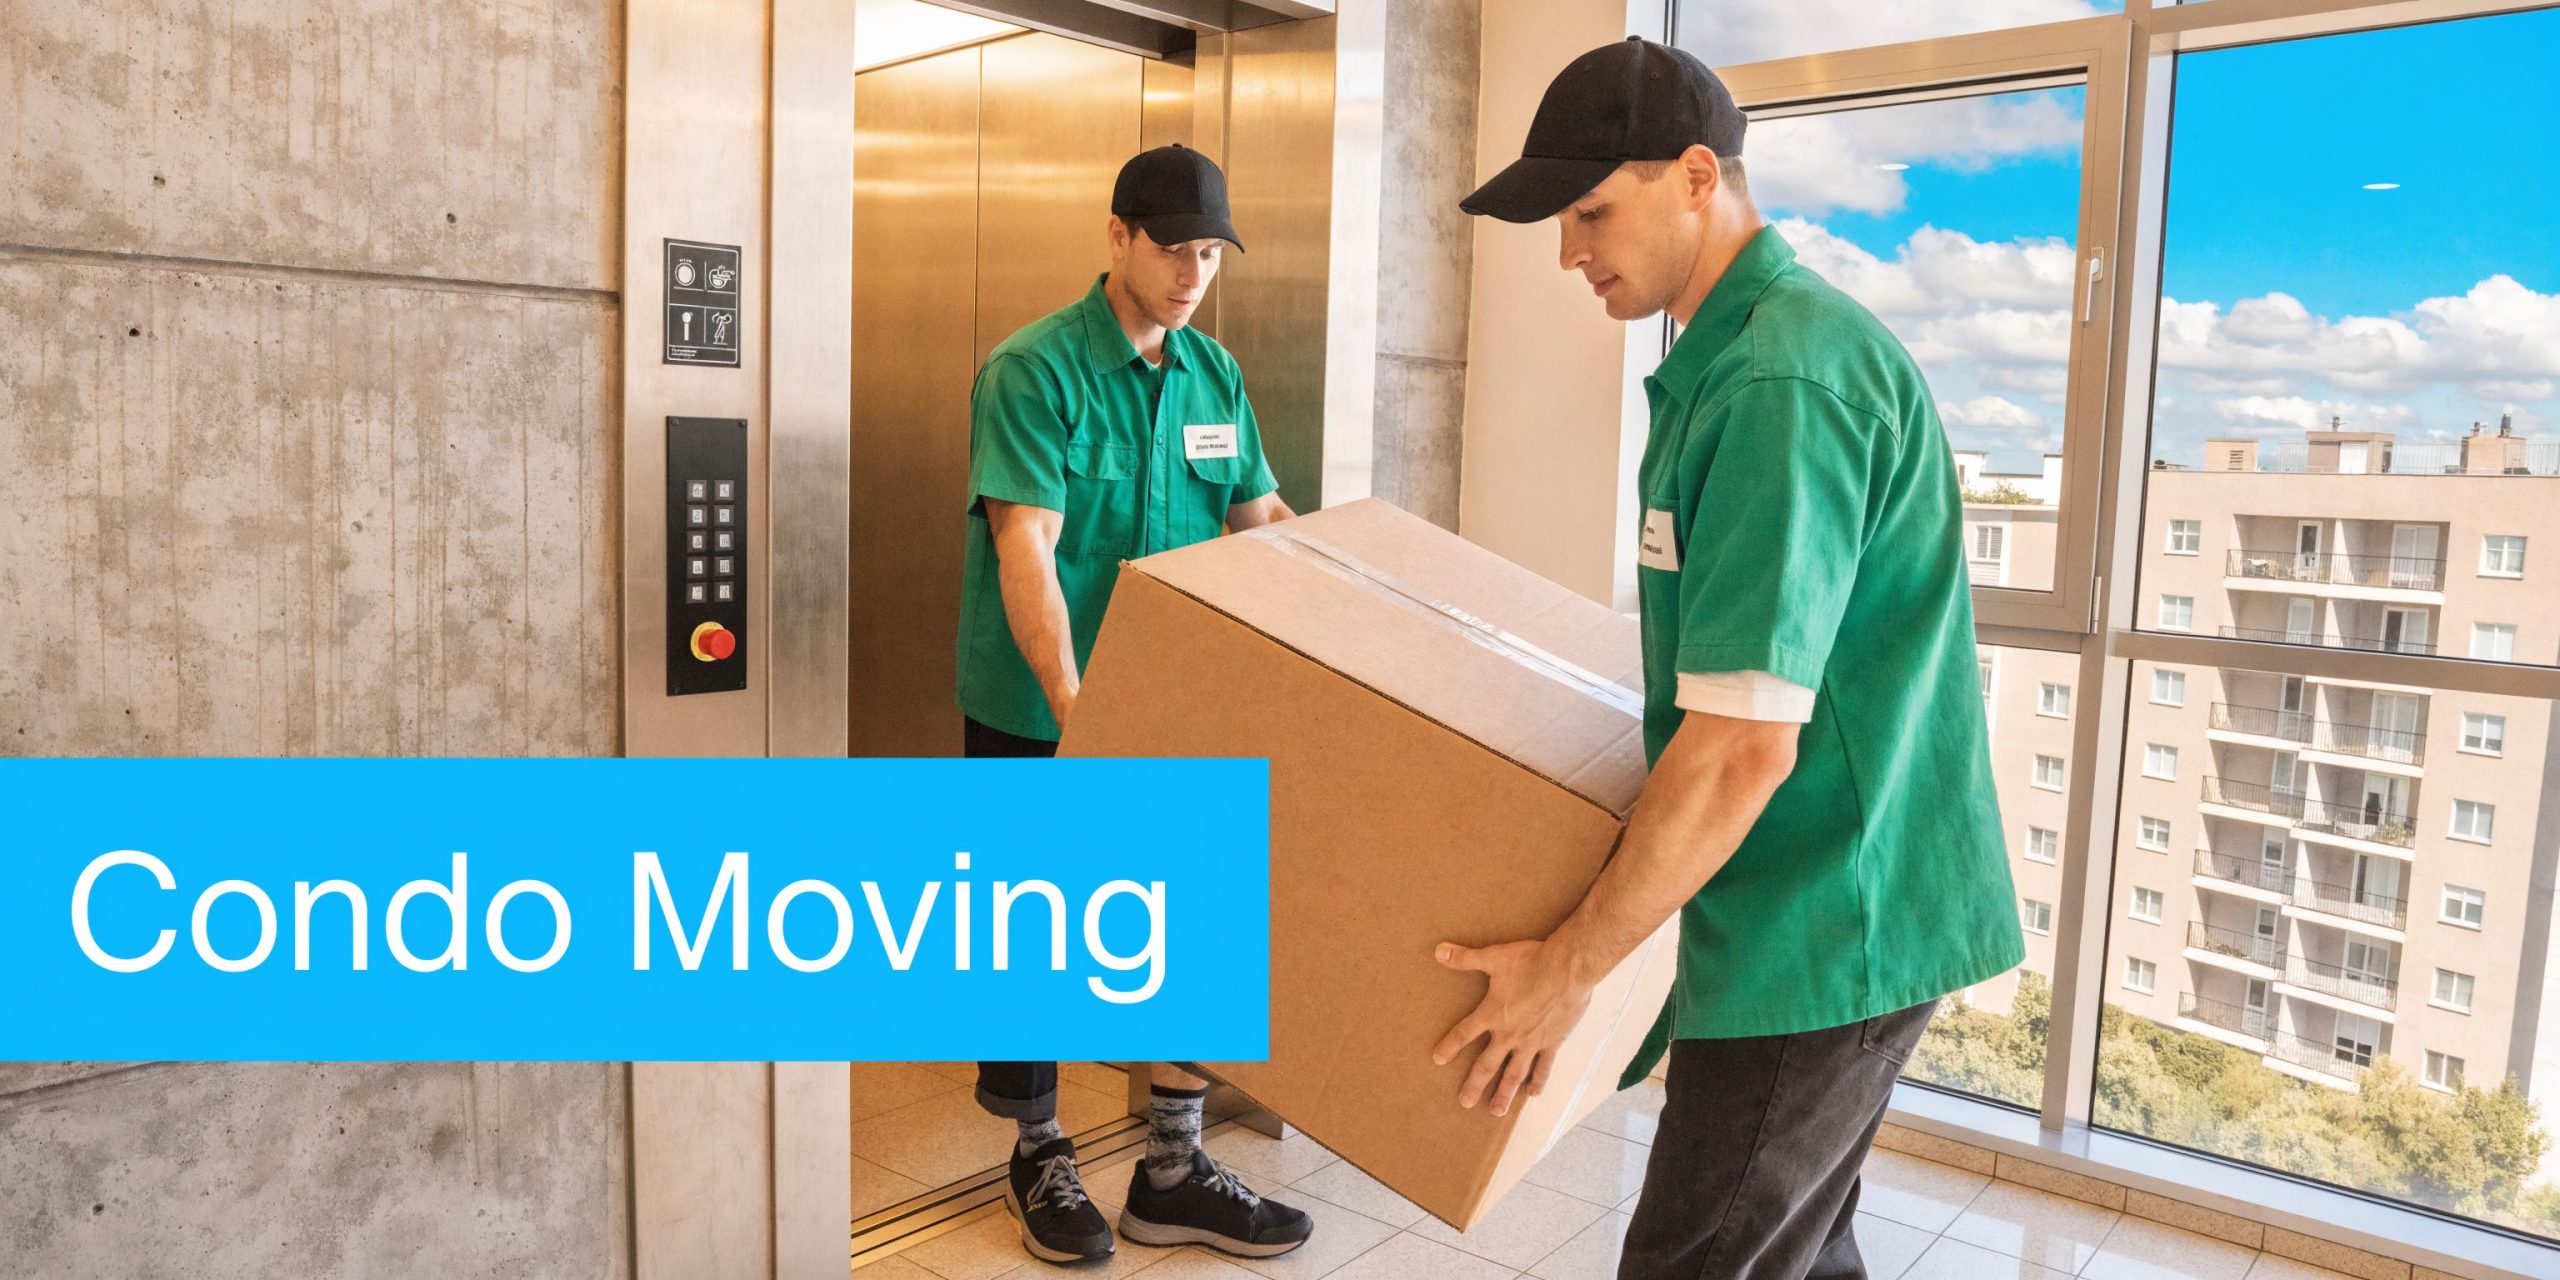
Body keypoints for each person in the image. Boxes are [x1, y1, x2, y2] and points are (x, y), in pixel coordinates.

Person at [1439, 37, 2025, 1280]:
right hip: (1810, 907)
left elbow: (1744, 744)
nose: (1568, 249)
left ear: (1698, 176)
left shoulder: (1779, 380)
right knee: (1797, 1248)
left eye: (1591, 209)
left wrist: (1569, 970)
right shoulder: (1732, 359)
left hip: (1822, 926)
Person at [954, 142, 1311, 1266]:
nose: (1192, 271)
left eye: (1210, 251)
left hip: (1179, 707)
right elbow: (1029, 548)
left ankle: (1170, 1165)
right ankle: (1041, 1149)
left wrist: (1374, 608)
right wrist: (1078, 717)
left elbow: (1261, 521)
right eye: (1172, 248)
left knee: (1190, 923)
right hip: (1039, 708)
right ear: (1117, 238)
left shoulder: (1214, 375)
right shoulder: (1036, 369)